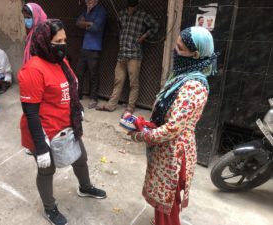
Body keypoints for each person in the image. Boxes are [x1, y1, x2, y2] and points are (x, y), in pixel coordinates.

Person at [18, 19, 106, 225]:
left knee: (80, 158)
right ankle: (49, 208)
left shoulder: (61, 61)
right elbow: (31, 114)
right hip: (45, 131)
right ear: (44, 42)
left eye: (64, 39)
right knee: (47, 169)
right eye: (58, 40)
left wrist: (78, 108)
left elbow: (71, 87)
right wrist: (40, 146)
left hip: (67, 124)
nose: (63, 44)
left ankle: (85, 187)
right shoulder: (32, 70)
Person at [128, 27, 217, 225]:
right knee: (163, 202)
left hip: (175, 155)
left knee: (168, 206)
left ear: (195, 55)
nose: (174, 51)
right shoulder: (183, 75)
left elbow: (173, 128)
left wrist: (142, 136)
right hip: (165, 151)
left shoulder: (194, 86)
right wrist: (145, 125)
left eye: (179, 48)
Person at [96, 0, 159, 115]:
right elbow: (120, 30)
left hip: (134, 55)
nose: (131, 9)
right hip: (122, 54)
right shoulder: (121, 14)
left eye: (133, 7)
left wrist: (144, 36)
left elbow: (155, 26)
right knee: (118, 81)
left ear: (137, 5)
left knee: (133, 83)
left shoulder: (142, 15)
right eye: (130, 7)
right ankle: (111, 105)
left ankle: (130, 108)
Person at [76, 0, 107, 109]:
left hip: (95, 47)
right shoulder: (87, 10)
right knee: (79, 72)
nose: (87, 2)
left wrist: (85, 23)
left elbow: (96, 28)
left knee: (93, 74)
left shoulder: (101, 11)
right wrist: (88, 23)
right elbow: (77, 22)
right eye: (86, 1)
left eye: (89, 1)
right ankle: (78, 94)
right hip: (85, 46)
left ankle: (93, 98)